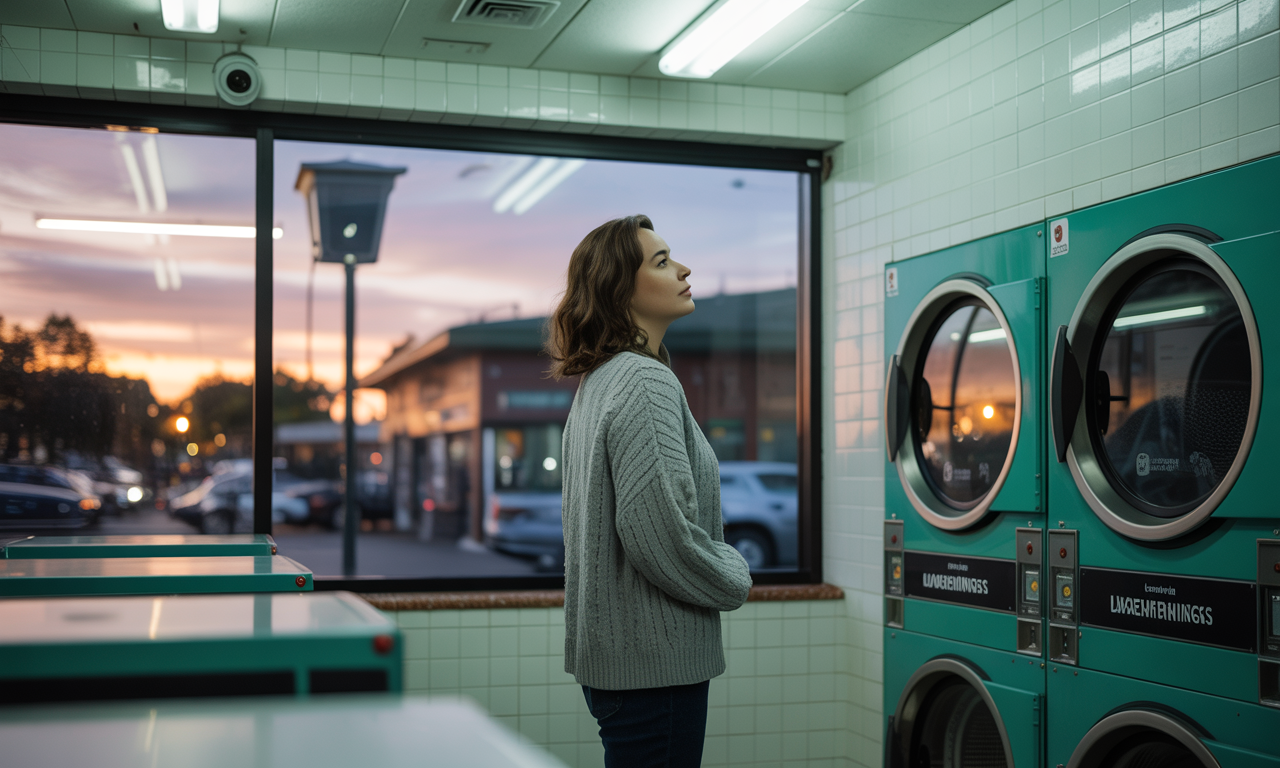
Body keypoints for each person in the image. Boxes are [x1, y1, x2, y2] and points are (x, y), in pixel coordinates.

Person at [547, 214, 753, 767]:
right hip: (654, 666)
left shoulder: (603, 380)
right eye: (661, 262)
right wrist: (733, 576)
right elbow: (659, 537)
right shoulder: (643, 380)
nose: (683, 269)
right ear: (620, 290)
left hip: (621, 665)